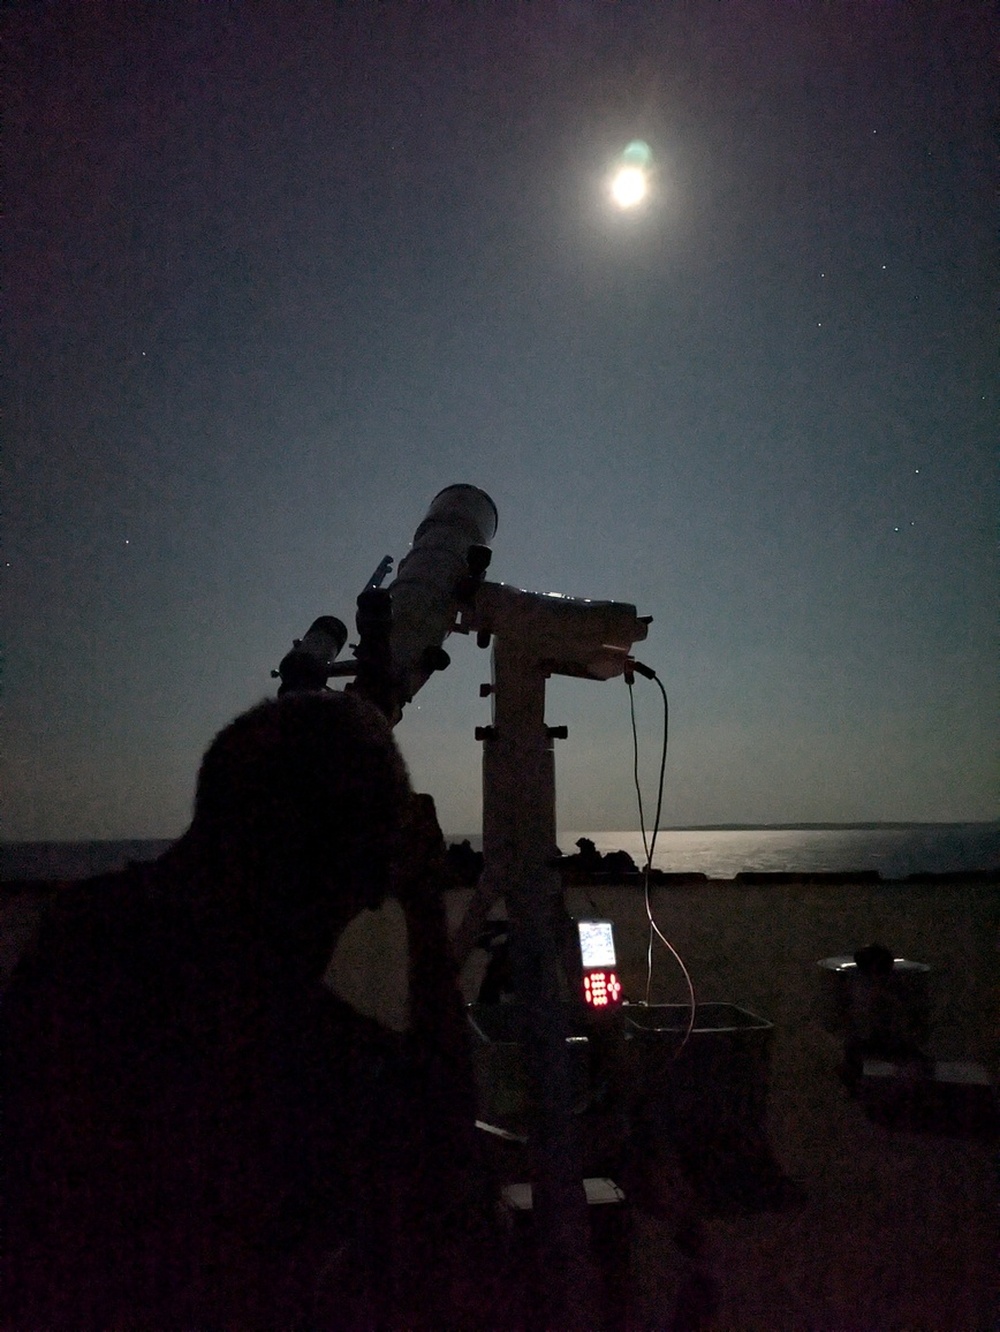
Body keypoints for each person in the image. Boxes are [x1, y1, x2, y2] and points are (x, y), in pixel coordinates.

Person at [2, 690, 500, 1330]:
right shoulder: (274, 1041)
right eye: (363, 879)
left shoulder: (80, 935)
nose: (366, 903)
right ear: (323, 858)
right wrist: (425, 909)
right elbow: (442, 1148)